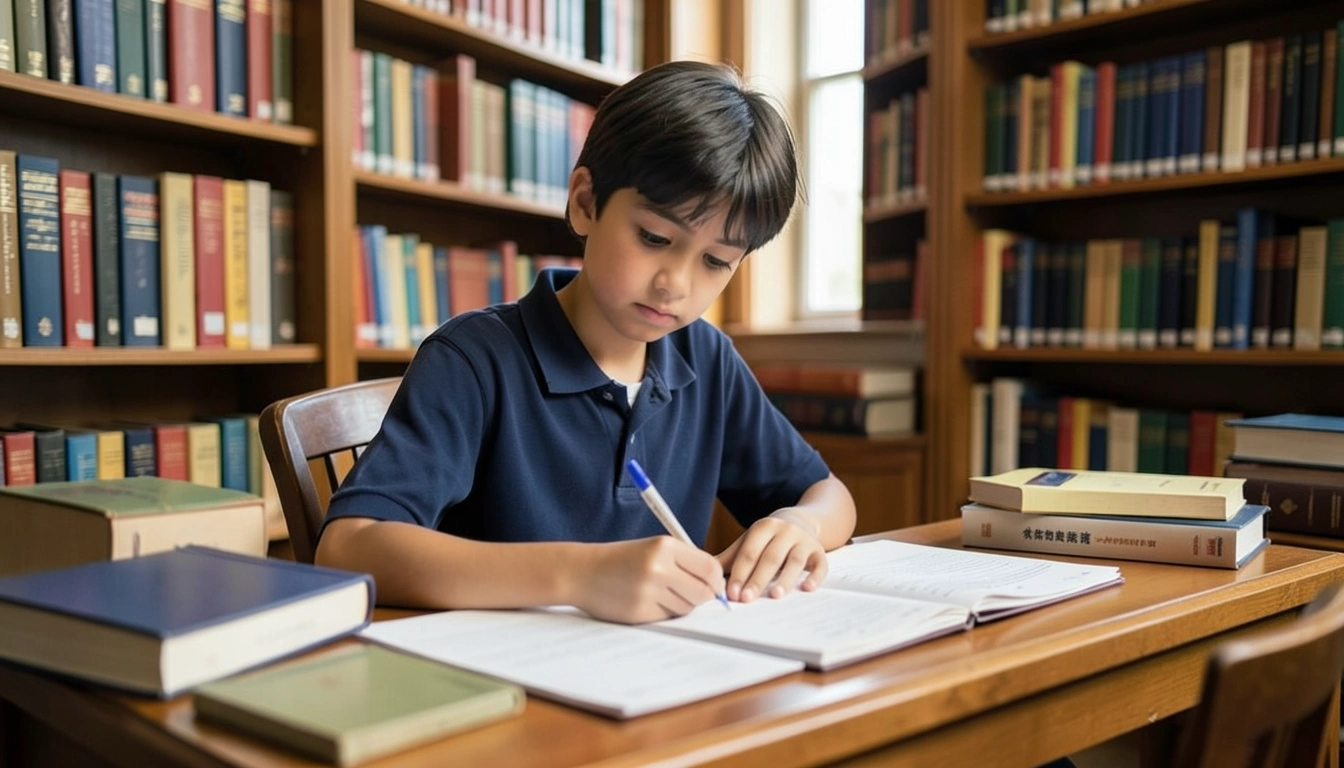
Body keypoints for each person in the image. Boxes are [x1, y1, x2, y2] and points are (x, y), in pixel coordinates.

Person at [318, 60, 857, 624]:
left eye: (716, 262)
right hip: (497, 668)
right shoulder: (475, 359)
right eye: (654, 237)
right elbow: (347, 547)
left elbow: (829, 495)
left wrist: (800, 524)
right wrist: (578, 574)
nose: (675, 283)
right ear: (584, 202)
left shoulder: (706, 359)